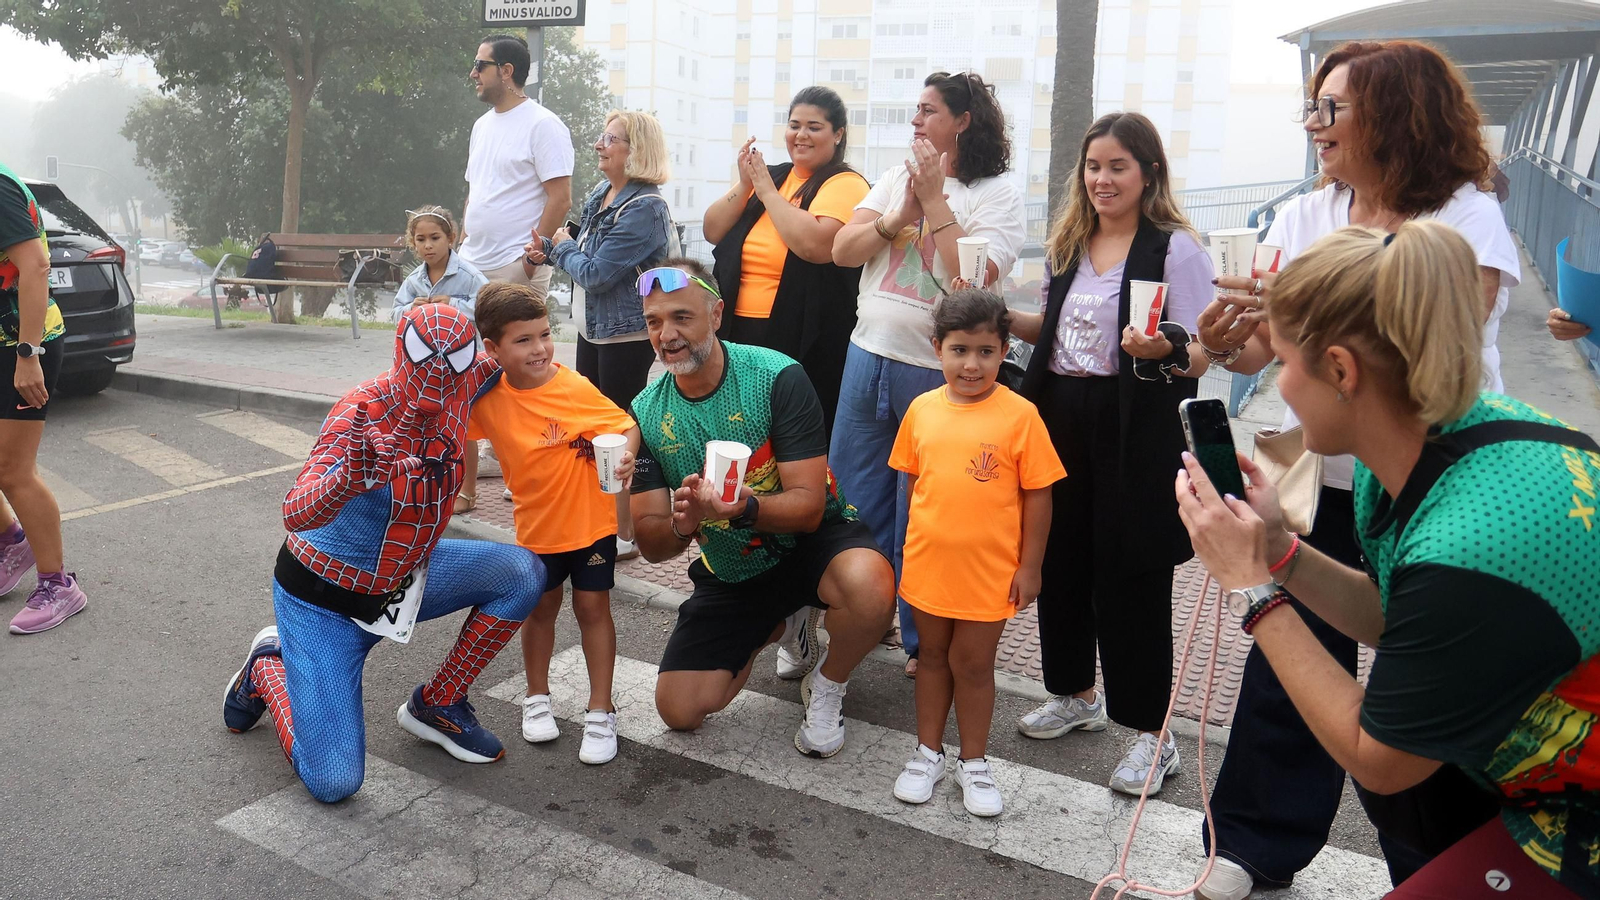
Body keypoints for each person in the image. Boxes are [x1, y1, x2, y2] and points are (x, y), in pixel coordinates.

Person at [1177, 220, 1599, 900]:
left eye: (1283, 361)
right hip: (1517, 761)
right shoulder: (1448, 436)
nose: (1282, 386)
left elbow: (1379, 761)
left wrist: (1251, 587)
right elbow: (1395, 617)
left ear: (1342, 371)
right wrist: (1280, 550)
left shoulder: (1470, 549)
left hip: (1573, 815)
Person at [1192, 40, 1522, 899]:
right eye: (1312, 105)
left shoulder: (1467, 215)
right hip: (1335, 476)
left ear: (1396, 114)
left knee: (1429, 691)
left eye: (1332, 107)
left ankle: (1450, 869)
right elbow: (1270, 346)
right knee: (1297, 662)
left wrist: (1297, 316)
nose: (1314, 124)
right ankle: (1256, 842)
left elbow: (1433, 338)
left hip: (1426, 479)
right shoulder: (1308, 211)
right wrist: (1230, 339)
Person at [221, 305, 546, 803]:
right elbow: (295, 512)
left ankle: (438, 704)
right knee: (335, 781)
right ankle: (269, 666)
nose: (437, 376)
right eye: (424, 359)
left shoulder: (463, 382)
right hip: (323, 603)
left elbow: (511, 353)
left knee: (522, 572)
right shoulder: (358, 415)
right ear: (400, 352)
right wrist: (347, 481)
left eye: (453, 361)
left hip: (401, 581)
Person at [1004, 112, 1211, 796]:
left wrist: (1166, 348)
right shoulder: (1069, 242)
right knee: (1060, 556)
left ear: (1148, 172)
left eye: (1118, 166)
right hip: (1059, 411)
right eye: (1094, 166)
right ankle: (1074, 694)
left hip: (1136, 423)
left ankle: (1154, 734)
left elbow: (1205, 350)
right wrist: (995, 316)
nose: (1103, 179)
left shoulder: (1174, 249)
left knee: (1132, 572)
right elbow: (1053, 330)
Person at [626, 259, 896, 758]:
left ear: (716, 314)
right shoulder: (645, 412)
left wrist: (740, 510)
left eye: (682, 317)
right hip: (735, 568)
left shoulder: (775, 375)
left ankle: (828, 682)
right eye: (654, 321)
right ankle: (784, 624)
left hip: (813, 542)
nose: (667, 335)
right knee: (679, 711)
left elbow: (809, 508)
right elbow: (651, 541)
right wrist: (683, 525)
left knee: (871, 589)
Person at [830, 71, 1027, 676]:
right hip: (867, 353)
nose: (915, 120)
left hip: (934, 373)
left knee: (925, 508)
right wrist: (899, 214)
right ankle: (858, 619)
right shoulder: (896, 178)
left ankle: (923, 642)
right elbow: (842, 251)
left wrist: (936, 202)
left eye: (929, 110)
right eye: (914, 109)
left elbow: (976, 278)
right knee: (853, 497)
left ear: (963, 121)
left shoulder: (996, 193)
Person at [888, 289, 1063, 817]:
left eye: (986, 352)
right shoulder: (921, 410)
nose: (972, 364)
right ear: (937, 348)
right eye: (959, 350)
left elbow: (1039, 495)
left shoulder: (1021, 415)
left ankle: (974, 761)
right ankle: (927, 753)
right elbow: (913, 487)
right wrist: (908, 552)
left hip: (990, 571)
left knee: (973, 664)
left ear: (1005, 351)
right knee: (930, 656)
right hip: (928, 565)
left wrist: (1030, 567)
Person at [466, 283, 640, 765]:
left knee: (593, 609)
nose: (540, 348)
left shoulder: (573, 386)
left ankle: (601, 710)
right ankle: (536, 697)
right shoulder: (486, 399)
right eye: (523, 340)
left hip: (591, 526)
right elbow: (453, 426)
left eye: (544, 334)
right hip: (536, 532)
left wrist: (626, 457)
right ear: (493, 348)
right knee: (540, 611)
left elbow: (626, 425)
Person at [703, 86, 870, 447]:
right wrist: (746, 183)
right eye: (794, 125)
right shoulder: (772, 176)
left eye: (814, 127)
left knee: (788, 430)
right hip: (737, 326)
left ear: (838, 134)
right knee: (739, 428)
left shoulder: (845, 183)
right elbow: (713, 230)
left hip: (801, 332)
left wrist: (765, 191)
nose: (801, 135)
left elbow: (815, 245)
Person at [524, 109, 673, 410]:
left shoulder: (644, 208)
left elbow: (595, 275)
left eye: (610, 139)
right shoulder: (603, 191)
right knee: (590, 418)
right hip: (591, 331)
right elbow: (586, 252)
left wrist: (563, 247)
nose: (598, 145)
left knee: (614, 424)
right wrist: (549, 251)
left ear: (637, 150)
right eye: (602, 137)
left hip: (623, 338)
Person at [0, 159, 86, 636]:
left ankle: (58, 585)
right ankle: (12, 542)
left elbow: (35, 264)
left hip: (22, 345)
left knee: (13, 471)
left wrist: (27, 354)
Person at [390, 206, 489, 514]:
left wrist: (454, 305)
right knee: (426, 427)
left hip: (461, 367)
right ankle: (428, 485)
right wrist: (411, 310)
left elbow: (488, 308)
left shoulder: (469, 276)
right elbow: (395, 314)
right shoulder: (413, 281)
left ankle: (468, 492)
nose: (428, 246)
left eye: (435, 238)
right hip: (424, 372)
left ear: (451, 238)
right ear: (413, 243)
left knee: (464, 427)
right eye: (420, 240)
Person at [460, 33, 573, 300]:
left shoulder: (544, 125)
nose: (473, 74)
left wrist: (529, 263)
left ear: (506, 71)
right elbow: (475, 193)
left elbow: (561, 199)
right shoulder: (481, 126)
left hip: (514, 267)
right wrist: (462, 245)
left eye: (480, 65)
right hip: (469, 265)